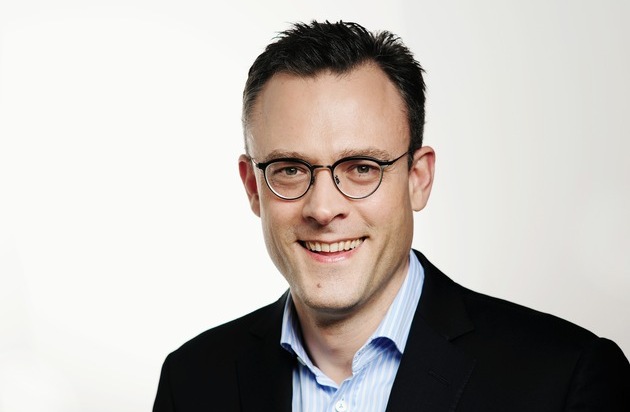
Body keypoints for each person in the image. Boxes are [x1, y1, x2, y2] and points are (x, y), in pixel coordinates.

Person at [153, 20, 630, 411]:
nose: (324, 208)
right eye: (291, 170)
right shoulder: (191, 382)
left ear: (418, 178)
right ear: (253, 187)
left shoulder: (564, 380)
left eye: (362, 168)